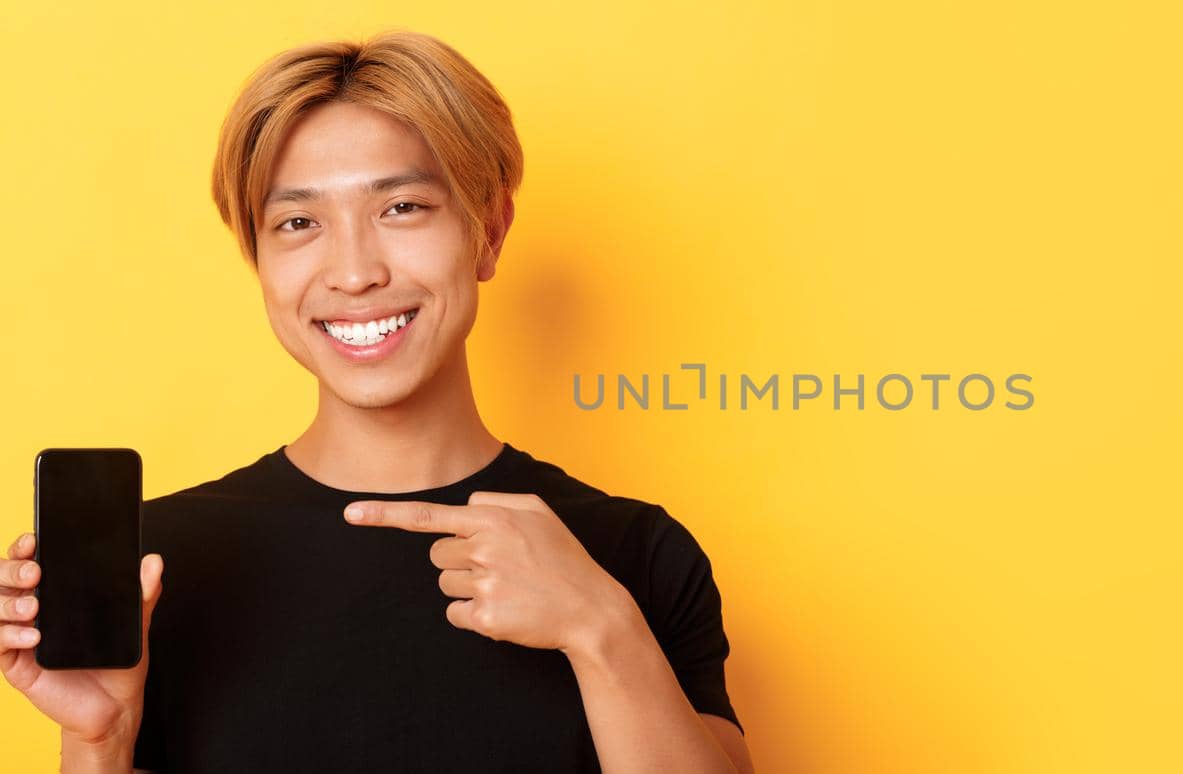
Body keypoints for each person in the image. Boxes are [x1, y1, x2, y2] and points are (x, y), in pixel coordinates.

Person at [0, 29, 754, 773]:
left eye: (401, 209)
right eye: (298, 223)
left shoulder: (637, 555)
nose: (355, 273)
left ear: (488, 232)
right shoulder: (153, 572)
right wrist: (98, 744)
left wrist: (601, 629)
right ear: (258, 260)